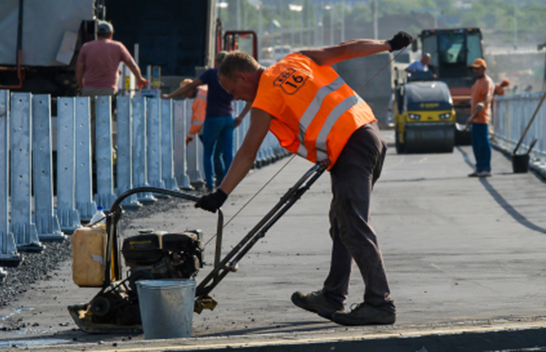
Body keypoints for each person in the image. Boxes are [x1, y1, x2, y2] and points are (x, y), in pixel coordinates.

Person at [195, 32, 413, 326]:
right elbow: (346, 49)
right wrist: (387, 45)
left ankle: (380, 303)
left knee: (353, 224)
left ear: (243, 76)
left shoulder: (264, 97)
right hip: (368, 134)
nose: (235, 97)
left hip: (351, 148)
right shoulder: (298, 59)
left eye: (232, 89)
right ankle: (333, 295)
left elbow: (247, 152)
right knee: (342, 223)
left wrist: (221, 194)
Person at [162, 52, 250, 190]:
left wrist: (170, 95)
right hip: (229, 117)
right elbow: (251, 97)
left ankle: (209, 184)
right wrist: (241, 116)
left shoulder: (211, 74)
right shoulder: (234, 76)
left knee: (208, 152)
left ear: (217, 62)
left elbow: (190, 86)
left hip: (214, 118)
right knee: (228, 153)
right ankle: (230, 184)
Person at [75, 21, 147, 97]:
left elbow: (79, 71)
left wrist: (82, 87)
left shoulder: (86, 47)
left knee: (89, 109)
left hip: (89, 90)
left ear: (97, 34)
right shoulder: (118, 46)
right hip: (108, 90)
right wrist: (139, 78)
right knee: (107, 108)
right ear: (111, 34)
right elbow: (133, 65)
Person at [465, 58, 494, 178]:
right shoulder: (477, 83)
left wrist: (483, 103)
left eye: (477, 68)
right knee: (476, 145)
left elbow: (487, 95)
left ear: (484, 69)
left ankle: (486, 168)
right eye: (473, 68)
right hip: (475, 119)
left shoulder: (487, 82)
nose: (475, 71)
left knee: (483, 143)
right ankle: (479, 167)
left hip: (482, 118)